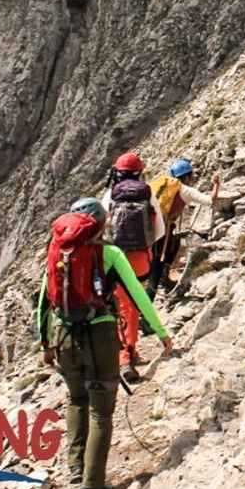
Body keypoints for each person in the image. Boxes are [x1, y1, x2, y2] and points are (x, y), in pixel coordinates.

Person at [36, 198, 172, 489]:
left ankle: (75, 469)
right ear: (100, 223)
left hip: (63, 334)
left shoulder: (58, 250)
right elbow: (137, 294)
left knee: (75, 400)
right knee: (100, 410)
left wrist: (45, 345)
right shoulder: (109, 254)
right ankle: (92, 488)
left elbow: (45, 302)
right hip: (99, 336)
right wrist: (161, 332)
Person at [100, 152, 166, 382]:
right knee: (132, 306)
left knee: (119, 306)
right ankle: (129, 351)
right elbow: (160, 230)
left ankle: (124, 356)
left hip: (114, 259)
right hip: (141, 259)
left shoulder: (110, 195)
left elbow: (101, 230)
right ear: (139, 172)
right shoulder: (147, 192)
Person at [146, 159, 220, 293]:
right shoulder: (185, 190)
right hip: (165, 228)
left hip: (151, 224)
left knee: (173, 244)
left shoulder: (164, 185)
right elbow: (210, 200)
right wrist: (216, 184)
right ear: (187, 176)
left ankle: (160, 277)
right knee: (160, 259)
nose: (192, 178)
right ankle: (157, 285)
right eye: (191, 175)